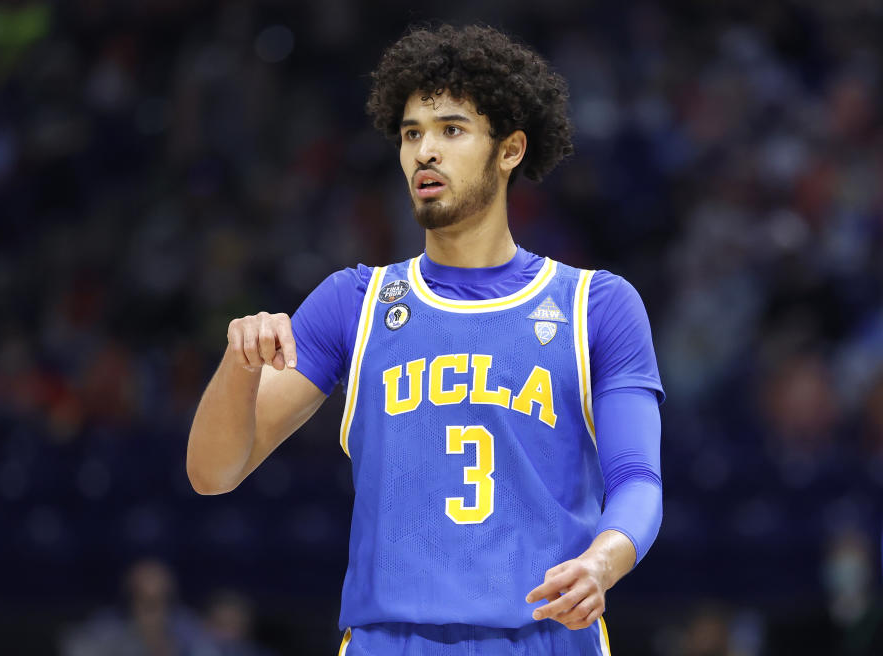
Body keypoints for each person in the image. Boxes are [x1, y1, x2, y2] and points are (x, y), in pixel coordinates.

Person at [187, 23, 664, 655]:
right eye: (412, 133)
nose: (424, 152)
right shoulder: (351, 303)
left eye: (451, 129)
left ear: (511, 149)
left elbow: (637, 479)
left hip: (545, 635)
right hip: (390, 640)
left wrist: (604, 561)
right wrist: (239, 365)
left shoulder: (596, 306)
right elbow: (213, 473)